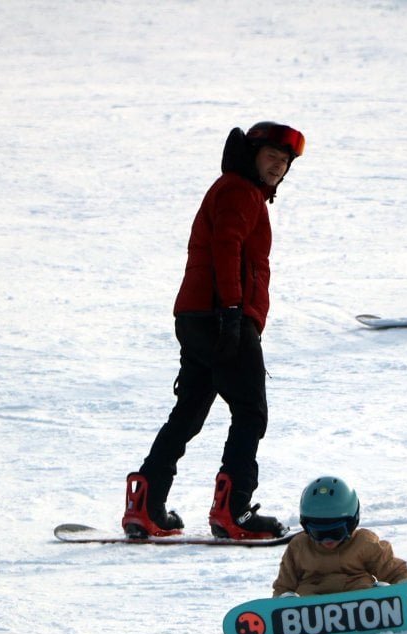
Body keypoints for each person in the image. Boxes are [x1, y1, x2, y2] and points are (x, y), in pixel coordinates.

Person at [120, 122, 306, 541]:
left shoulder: (238, 190)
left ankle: (145, 506)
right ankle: (233, 510)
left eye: (285, 161)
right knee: (250, 413)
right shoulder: (240, 190)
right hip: (223, 317)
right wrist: (234, 310)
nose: (278, 166)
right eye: (271, 156)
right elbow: (227, 246)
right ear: (252, 155)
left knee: (189, 410)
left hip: (198, 317)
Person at [272, 476, 407, 597]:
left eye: (335, 532)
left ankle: (381, 601)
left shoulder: (364, 542)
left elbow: (390, 568)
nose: (327, 540)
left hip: (359, 599)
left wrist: (405, 586)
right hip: (311, 606)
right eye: (319, 534)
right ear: (306, 528)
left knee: (371, 588)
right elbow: (284, 585)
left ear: (352, 523)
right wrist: (283, 599)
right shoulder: (299, 547)